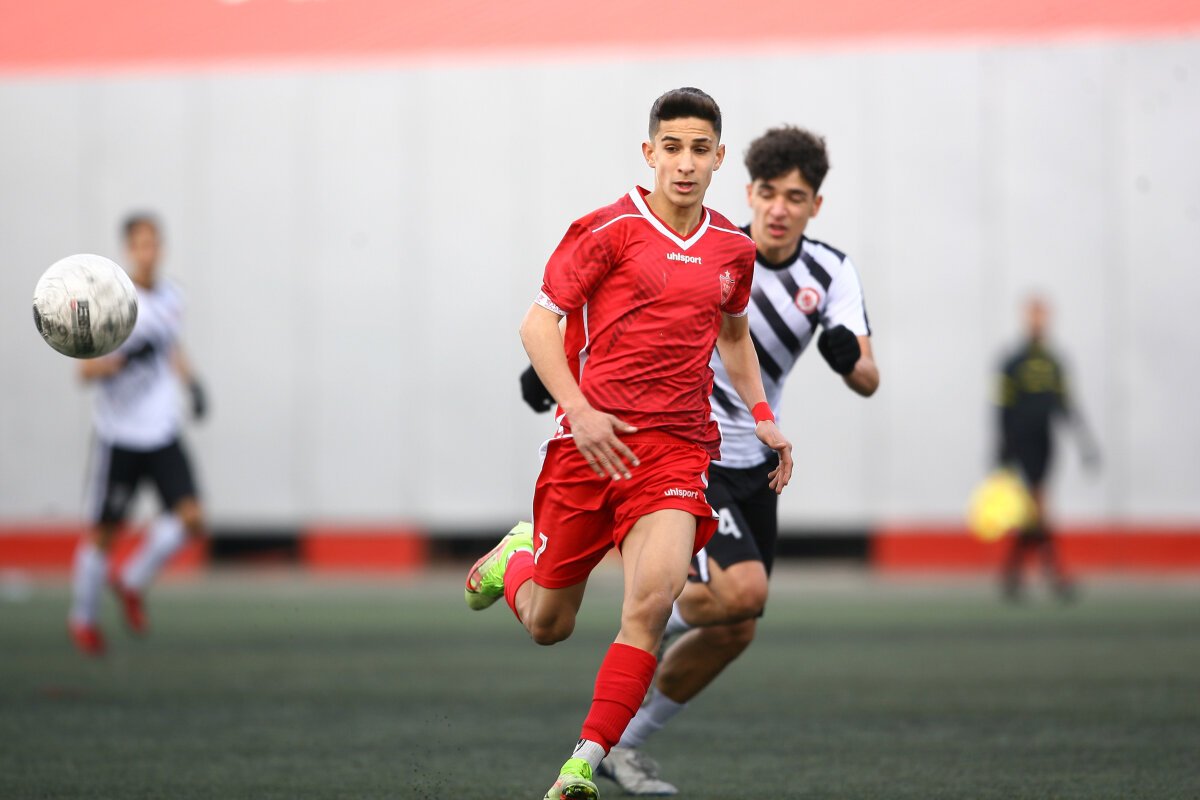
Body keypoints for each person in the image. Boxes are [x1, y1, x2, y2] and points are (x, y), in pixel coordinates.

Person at [466, 88, 794, 800]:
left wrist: (762, 414)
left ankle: (580, 765)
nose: (685, 163)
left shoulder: (733, 251)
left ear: (719, 158)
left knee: (650, 604)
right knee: (548, 624)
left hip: (676, 452)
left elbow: (734, 336)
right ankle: (516, 557)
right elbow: (537, 325)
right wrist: (578, 409)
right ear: (650, 153)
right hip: (589, 448)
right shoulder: (607, 230)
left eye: (699, 149)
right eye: (672, 148)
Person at [68, 213, 208, 656]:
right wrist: (123, 360)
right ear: (129, 249)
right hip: (121, 436)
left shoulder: (171, 296)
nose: (149, 252)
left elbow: (172, 346)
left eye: (154, 243)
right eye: (141, 244)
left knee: (191, 518)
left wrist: (192, 383)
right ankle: (83, 618)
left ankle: (131, 581)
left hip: (161, 430)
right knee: (104, 533)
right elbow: (85, 370)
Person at [996, 296, 1098, 602]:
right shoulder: (1013, 362)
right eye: (1033, 315)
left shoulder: (1054, 363)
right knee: (1038, 505)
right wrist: (1003, 448)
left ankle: (1013, 574)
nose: (1038, 321)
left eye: (1042, 315)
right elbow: (1002, 408)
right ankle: (1053, 572)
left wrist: (1085, 444)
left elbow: (1067, 404)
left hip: (1045, 442)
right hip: (1022, 442)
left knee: (1035, 508)